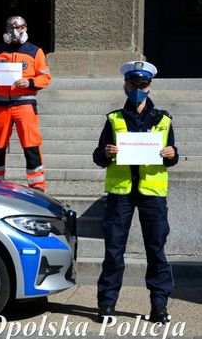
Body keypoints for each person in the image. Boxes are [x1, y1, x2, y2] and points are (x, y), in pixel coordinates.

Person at [93, 61, 178, 324]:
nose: (137, 89)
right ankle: (107, 305)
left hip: (152, 192)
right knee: (114, 251)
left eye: (142, 85)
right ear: (125, 86)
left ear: (149, 87)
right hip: (121, 193)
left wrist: (171, 155)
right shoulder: (114, 119)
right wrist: (106, 153)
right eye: (133, 85)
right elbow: (98, 156)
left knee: (156, 250)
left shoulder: (164, 119)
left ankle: (159, 306)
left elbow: (172, 155)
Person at [0, 15, 52, 191]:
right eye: (11, 27)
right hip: (0, 105)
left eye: (19, 27)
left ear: (25, 28)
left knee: (31, 144)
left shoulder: (35, 51)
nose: (15, 31)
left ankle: (37, 186)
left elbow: (45, 77)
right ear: (5, 29)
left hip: (25, 104)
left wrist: (29, 83)